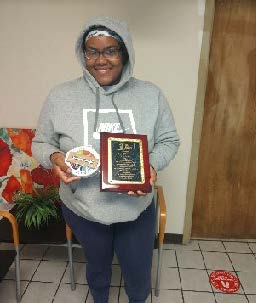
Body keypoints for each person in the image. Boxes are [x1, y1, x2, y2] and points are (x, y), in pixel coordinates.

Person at [32, 16, 180, 303]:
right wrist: (55, 157)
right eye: (93, 51)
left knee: (138, 275)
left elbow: (169, 141)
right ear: (83, 53)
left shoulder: (151, 95)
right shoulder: (60, 96)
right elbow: (41, 142)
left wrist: (150, 166)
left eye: (110, 50)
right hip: (84, 208)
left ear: (125, 52)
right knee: (98, 271)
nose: (101, 60)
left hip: (135, 207)